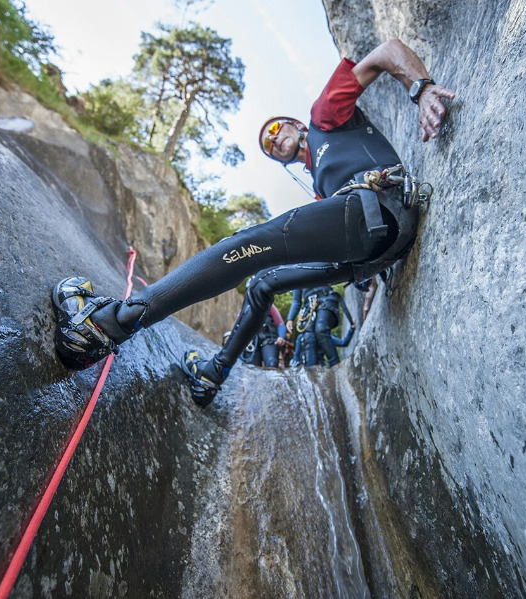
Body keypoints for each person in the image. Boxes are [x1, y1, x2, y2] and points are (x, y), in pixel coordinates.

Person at [51, 38, 456, 406]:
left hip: (378, 204)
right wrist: (372, 278)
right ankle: (212, 374)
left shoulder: (323, 117)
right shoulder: (323, 187)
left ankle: (104, 326)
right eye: (268, 146)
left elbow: (386, 51)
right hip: (376, 245)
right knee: (262, 283)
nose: (273, 141)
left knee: (248, 243)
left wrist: (421, 89)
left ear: (297, 125)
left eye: (276, 130)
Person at [287, 286, 353, 367]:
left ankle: (336, 366)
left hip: (326, 301)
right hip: (309, 308)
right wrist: (290, 318)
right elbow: (296, 301)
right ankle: (311, 370)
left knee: (321, 328)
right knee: (308, 336)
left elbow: (343, 343)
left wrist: (352, 329)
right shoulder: (301, 338)